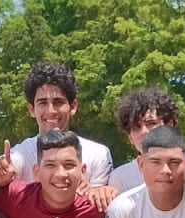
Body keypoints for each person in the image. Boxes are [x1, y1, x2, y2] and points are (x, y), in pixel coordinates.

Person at [8, 61, 113, 189]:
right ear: (31, 109)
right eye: (43, 103)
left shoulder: (98, 155)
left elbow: (99, 203)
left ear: (73, 106)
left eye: (58, 102)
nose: (51, 111)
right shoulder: (18, 156)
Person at [108, 87, 180, 192]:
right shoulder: (120, 178)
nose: (144, 132)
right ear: (130, 138)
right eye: (136, 127)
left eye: (151, 123)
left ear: (169, 125)